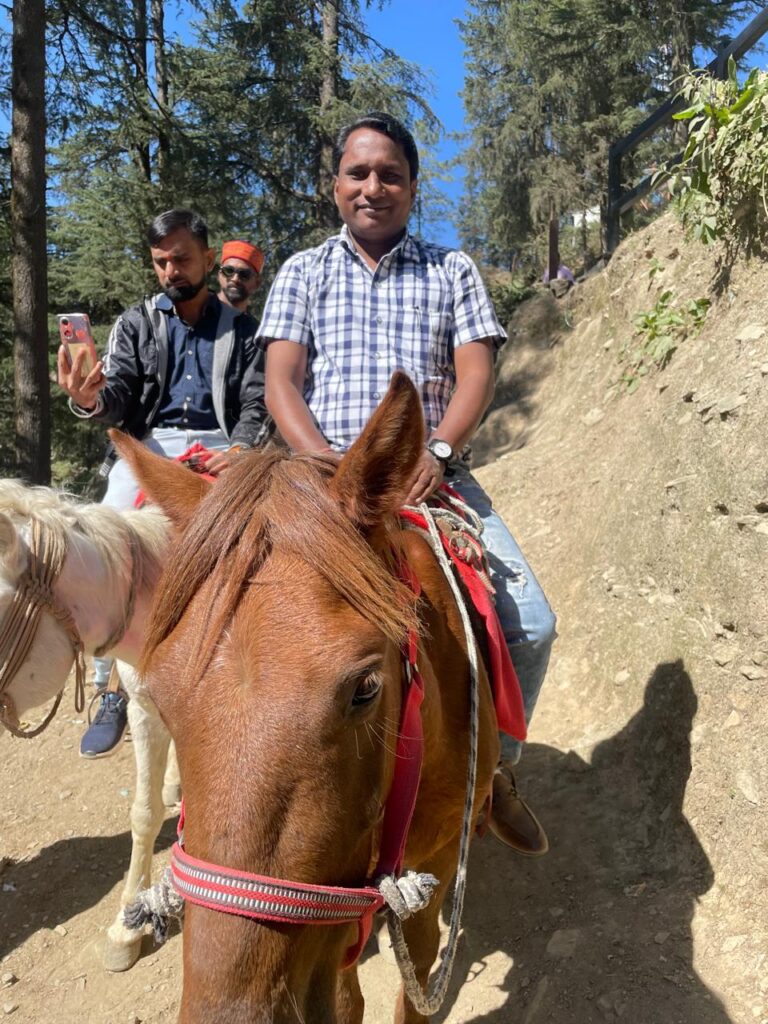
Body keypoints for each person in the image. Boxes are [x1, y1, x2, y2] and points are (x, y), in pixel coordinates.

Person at [257, 112, 557, 857]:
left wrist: (443, 447)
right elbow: (281, 382)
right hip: (319, 476)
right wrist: (326, 462)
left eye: (390, 174)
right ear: (335, 188)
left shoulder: (451, 268)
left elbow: (475, 370)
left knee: (531, 623)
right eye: (358, 173)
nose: (373, 186)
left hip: (429, 476)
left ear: (413, 188)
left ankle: (494, 771)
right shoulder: (303, 271)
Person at [58, 208, 273, 758]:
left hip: (221, 449)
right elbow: (120, 395)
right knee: (105, 530)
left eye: (181, 258)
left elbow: (256, 401)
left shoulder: (246, 331)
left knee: (255, 546)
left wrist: (243, 451)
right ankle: (110, 686)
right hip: (148, 445)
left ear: (206, 257)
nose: (171, 270)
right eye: (161, 262)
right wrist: (89, 399)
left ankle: (254, 669)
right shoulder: (136, 324)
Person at [217, 239, 264, 313]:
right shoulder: (196, 311)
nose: (235, 279)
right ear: (219, 275)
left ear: (257, 283)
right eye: (229, 271)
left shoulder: (255, 325)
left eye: (244, 274)